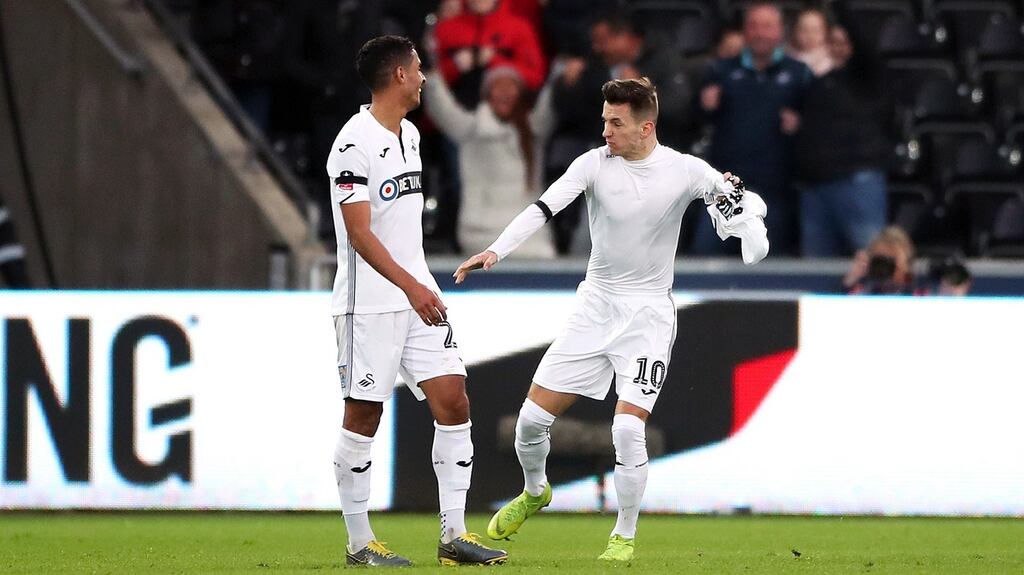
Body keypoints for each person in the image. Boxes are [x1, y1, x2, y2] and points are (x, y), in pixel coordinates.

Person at [453, 78, 769, 562]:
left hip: (648, 316)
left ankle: (622, 535)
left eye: (615, 123)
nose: (605, 131)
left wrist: (742, 214)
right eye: (604, 120)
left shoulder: (684, 170)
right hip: (595, 307)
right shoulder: (592, 165)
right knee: (530, 424)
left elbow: (735, 209)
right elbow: (544, 207)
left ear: (646, 127)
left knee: (627, 430)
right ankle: (536, 491)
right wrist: (496, 250)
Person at [325, 35, 507, 567]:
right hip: (369, 305)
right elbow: (358, 233)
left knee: (453, 401)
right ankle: (360, 545)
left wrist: (417, 286)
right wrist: (411, 286)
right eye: (420, 68)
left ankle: (453, 536)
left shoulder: (409, 134)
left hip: (416, 297)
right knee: (363, 416)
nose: (426, 77)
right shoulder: (352, 144)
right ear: (400, 75)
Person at [694, 1, 812, 256]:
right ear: (744, 32)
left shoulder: (799, 73)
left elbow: (817, 126)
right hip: (725, 188)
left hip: (775, 190)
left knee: (770, 267)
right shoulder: (721, 71)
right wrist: (705, 105)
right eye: (754, 26)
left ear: (781, 31)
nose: (760, 33)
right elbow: (697, 121)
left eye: (767, 26)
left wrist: (800, 124)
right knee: (705, 260)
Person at [423, 65, 557, 257]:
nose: (504, 91)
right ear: (486, 94)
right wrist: (431, 73)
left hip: (530, 236)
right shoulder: (471, 129)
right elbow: (440, 106)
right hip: (480, 233)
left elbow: (550, 101)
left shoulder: (534, 130)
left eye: (511, 86)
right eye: (498, 86)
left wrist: (561, 70)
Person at [794, 8, 889, 257]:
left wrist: (841, 8)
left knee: (871, 262)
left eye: (844, 43)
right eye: (832, 43)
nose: (838, 48)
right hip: (815, 188)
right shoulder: (814, 80)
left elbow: (864, 41)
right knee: (816, 271)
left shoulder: (865, 77)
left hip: (856, 184)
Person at [842, 226, 915, 295]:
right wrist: (850, 282)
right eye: (880, 260)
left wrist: (904, 276)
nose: (885, 266)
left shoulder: (919, 293)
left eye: (891, 260)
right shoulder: (863, 292)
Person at [788, 7, 832, 77]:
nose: (810, 36)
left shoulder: (833, 60)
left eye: (815, 30)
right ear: (795, 31)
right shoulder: (787, 59)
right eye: (804, 30)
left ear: (825, 32)